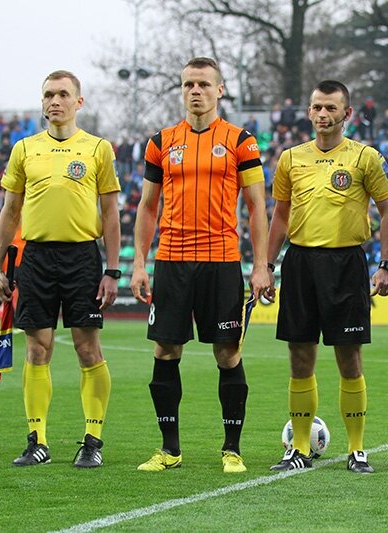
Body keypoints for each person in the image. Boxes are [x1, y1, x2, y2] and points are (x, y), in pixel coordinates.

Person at [131, 57, 272, 474]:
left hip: (222, 261)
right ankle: (169, 449)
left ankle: (232, 449)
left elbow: (257, 206)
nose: (196, 91)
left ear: (219, 90)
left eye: (204, 84)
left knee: (227, 353)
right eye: (189, 84)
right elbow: (147, 206)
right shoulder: (161, 142)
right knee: (165, 349)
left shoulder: (240, 141)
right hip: (171, 261)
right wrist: (139, 263)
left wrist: (260, 265)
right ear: (182, 90)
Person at [0, 70, 121, 468]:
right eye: (49, 94)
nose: (55, 101)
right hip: (36, 258)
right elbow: (10, 211)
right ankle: (38, 441)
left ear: (79, 102)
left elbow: (110, 213)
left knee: (87, 348)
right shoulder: (24, 149)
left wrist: (113, 270)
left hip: (82, 257)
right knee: (37, 348)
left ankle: (93, 441)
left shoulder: (98, 148)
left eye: (63, 94)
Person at [267, 80, 388, 473]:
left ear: (347, 114)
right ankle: (299, 449)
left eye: (331, 108)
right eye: (317, 107)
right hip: (300, 263)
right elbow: (280, 216)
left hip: (346, 264)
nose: (322, 114)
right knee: (300, 356)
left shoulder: (365, 158)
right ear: (309, 112)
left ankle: (357, 450)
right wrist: (265, 266)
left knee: (349, 357)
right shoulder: (290, 158)